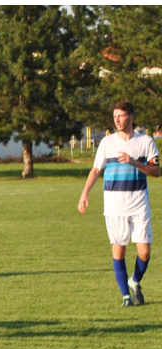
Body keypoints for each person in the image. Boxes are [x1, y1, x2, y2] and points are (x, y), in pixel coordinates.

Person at [78, 100, 160, 307]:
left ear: (131, 116)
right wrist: (84, 193)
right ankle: (125, 296)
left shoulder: (146, 142)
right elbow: (96, 170)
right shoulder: (107, 143)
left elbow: (156, 171)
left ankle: (134, 281)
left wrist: (133, 161)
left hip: (139, 204)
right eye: (115, 116)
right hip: (115, 206)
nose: (117, 120)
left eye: (121, 116)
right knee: (119, 251)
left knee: (144, 253)